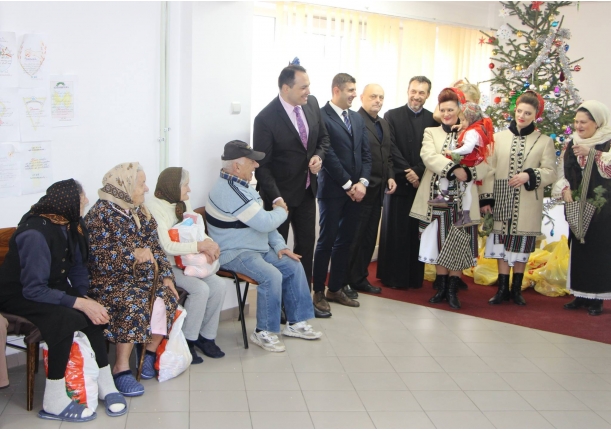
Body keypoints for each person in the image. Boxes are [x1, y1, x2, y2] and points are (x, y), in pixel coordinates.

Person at [0, 179, 127, 422]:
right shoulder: (34, 233)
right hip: (19, 294)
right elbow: (34, 289)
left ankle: (106, 384)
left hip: (49, 289)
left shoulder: (72, 224)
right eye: (82, 197)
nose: (87, 200)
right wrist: (78, 303)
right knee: (65, 319)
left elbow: (78, 266)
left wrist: (82, 296)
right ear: (67, 201)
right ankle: (54, 400)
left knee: (94, 316)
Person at [207, 140, 322, 352]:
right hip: (235, 253)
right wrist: (281, 210)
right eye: (252, 161)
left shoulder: (241, 186)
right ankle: (264, 332)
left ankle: (296, 323)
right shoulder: (230, 191)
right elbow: (265, 222)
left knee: (292, 265)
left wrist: (280, 246)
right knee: (272, 276)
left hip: (254, 248)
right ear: (237, 166)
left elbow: (263, 224)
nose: (257, 165)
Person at [84, 163, 179, 397]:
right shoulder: (99, 215)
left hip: (142, 279)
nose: (146, 188)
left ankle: (148, 354)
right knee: (133, 301)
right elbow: (96, 257)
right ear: (124, 186)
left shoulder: (139, 211)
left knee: (168, 297)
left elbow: (155, 248)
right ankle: (121, 368)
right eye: (141, 184)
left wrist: (167, 277)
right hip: (108, 282)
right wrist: (131, 254)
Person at [253, 64, 331, 318]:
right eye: (303, 87)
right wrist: (276, 199)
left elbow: (323, 139)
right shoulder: (265, 119)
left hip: (308, 192)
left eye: (309, 86)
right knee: (279, 252)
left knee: (306, 247)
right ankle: (280, 307)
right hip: (280, 198)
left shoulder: (311, 104)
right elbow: (263, 167)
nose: (308, 91)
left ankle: (301, 303)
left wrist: (319, 157)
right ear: (286, 88)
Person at [410, 88, 488, 309]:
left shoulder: (474, 133)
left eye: (450, 110)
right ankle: (441, 287)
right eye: (442, 110)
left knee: (458, 243)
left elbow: (486, 164)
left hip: (463, 202)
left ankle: (453, 289)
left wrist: (469, 173)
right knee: (439, 243)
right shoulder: (431, 132)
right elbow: (428, 156)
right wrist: (453, 169)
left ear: (460, 111)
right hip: (436, 199)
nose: (446, 114)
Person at [481, 91, 556, 306]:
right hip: (501, 198)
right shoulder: (498, 138)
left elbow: (551, 172)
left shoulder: (544, 141)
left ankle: (516, 290)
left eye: (528, 113)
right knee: (502, 245)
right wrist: (486, 199)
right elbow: (488, 169)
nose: (522, 116)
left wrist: (529, 175)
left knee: (521, 245)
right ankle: (502, 289)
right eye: (520, 111)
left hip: (527, 202)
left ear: (536, 115)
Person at [147, 167, 227, 363]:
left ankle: (206, 337)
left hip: (189, 261)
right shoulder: (154, 207)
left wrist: (210, 244)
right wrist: (200, 246)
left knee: (219, 285)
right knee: (200, 289)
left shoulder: (181, 202)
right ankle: (188, 340)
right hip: (167, 266)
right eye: (186, 185)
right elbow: (166, 246)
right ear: (173, 186)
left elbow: (197, 230)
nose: (189, 189)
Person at [312, 73, 372, 310]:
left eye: (355, 90)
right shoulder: (321, 116)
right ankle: (318, 291)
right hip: (333, 190)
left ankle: (335, 288)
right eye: (350, 90)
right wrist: (348, 184)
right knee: (326, 241)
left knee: (346, 241)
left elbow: (366, 153)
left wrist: (363, 183)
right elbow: (328, 155)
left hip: (357, 192)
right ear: (336, 90)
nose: (355, 95)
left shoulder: (356, 118)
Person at [377, 76, 438, 289]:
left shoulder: (433, 119)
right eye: (414, 91)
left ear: (427, 95)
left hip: (422, 183)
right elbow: (390, 147)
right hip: (398, 183)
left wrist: (418, 171)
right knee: (396, 231)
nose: (416, 96)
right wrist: (409, 172)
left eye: (421, 92)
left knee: (416, 233)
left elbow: (434, 151)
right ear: (407, 91)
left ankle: (413, 278)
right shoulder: (391, 115)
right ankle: (393, 277)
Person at [553, 100, 611, 316]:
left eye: (583, 122)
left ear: (597, 123)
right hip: (578, 206)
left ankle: (597, 298)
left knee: (599, 250)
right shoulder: (571, 143)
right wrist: (565, 189)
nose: (578, 126)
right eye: (576, 122)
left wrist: (593, 153)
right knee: (578, 246)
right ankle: (581, 294)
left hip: (603, 209)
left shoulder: (608, 143)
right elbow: (562, 171)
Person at [344, 84, 396, 295]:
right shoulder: (355, 120)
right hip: (360, 190)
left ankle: (359, 278)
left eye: (381, 97)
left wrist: (390, 176)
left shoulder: (383, 123)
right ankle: (344, 281)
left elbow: (388, 155)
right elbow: (351, 155)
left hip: (378, 191)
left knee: (368, 238)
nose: (378, 100)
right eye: (373, 96)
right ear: (362, 97)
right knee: (353, 238)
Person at [429, 102, 494, 227]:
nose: (461, 122)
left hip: (468, 159)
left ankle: (443, 195)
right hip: (474, 160)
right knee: (466, 190)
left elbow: (468, 148)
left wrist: (452, 152)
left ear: (470, 119)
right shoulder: (477, 128)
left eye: (463, 120)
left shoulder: (471, 132)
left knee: (446, 169)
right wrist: (461, 125)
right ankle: (465, 216)